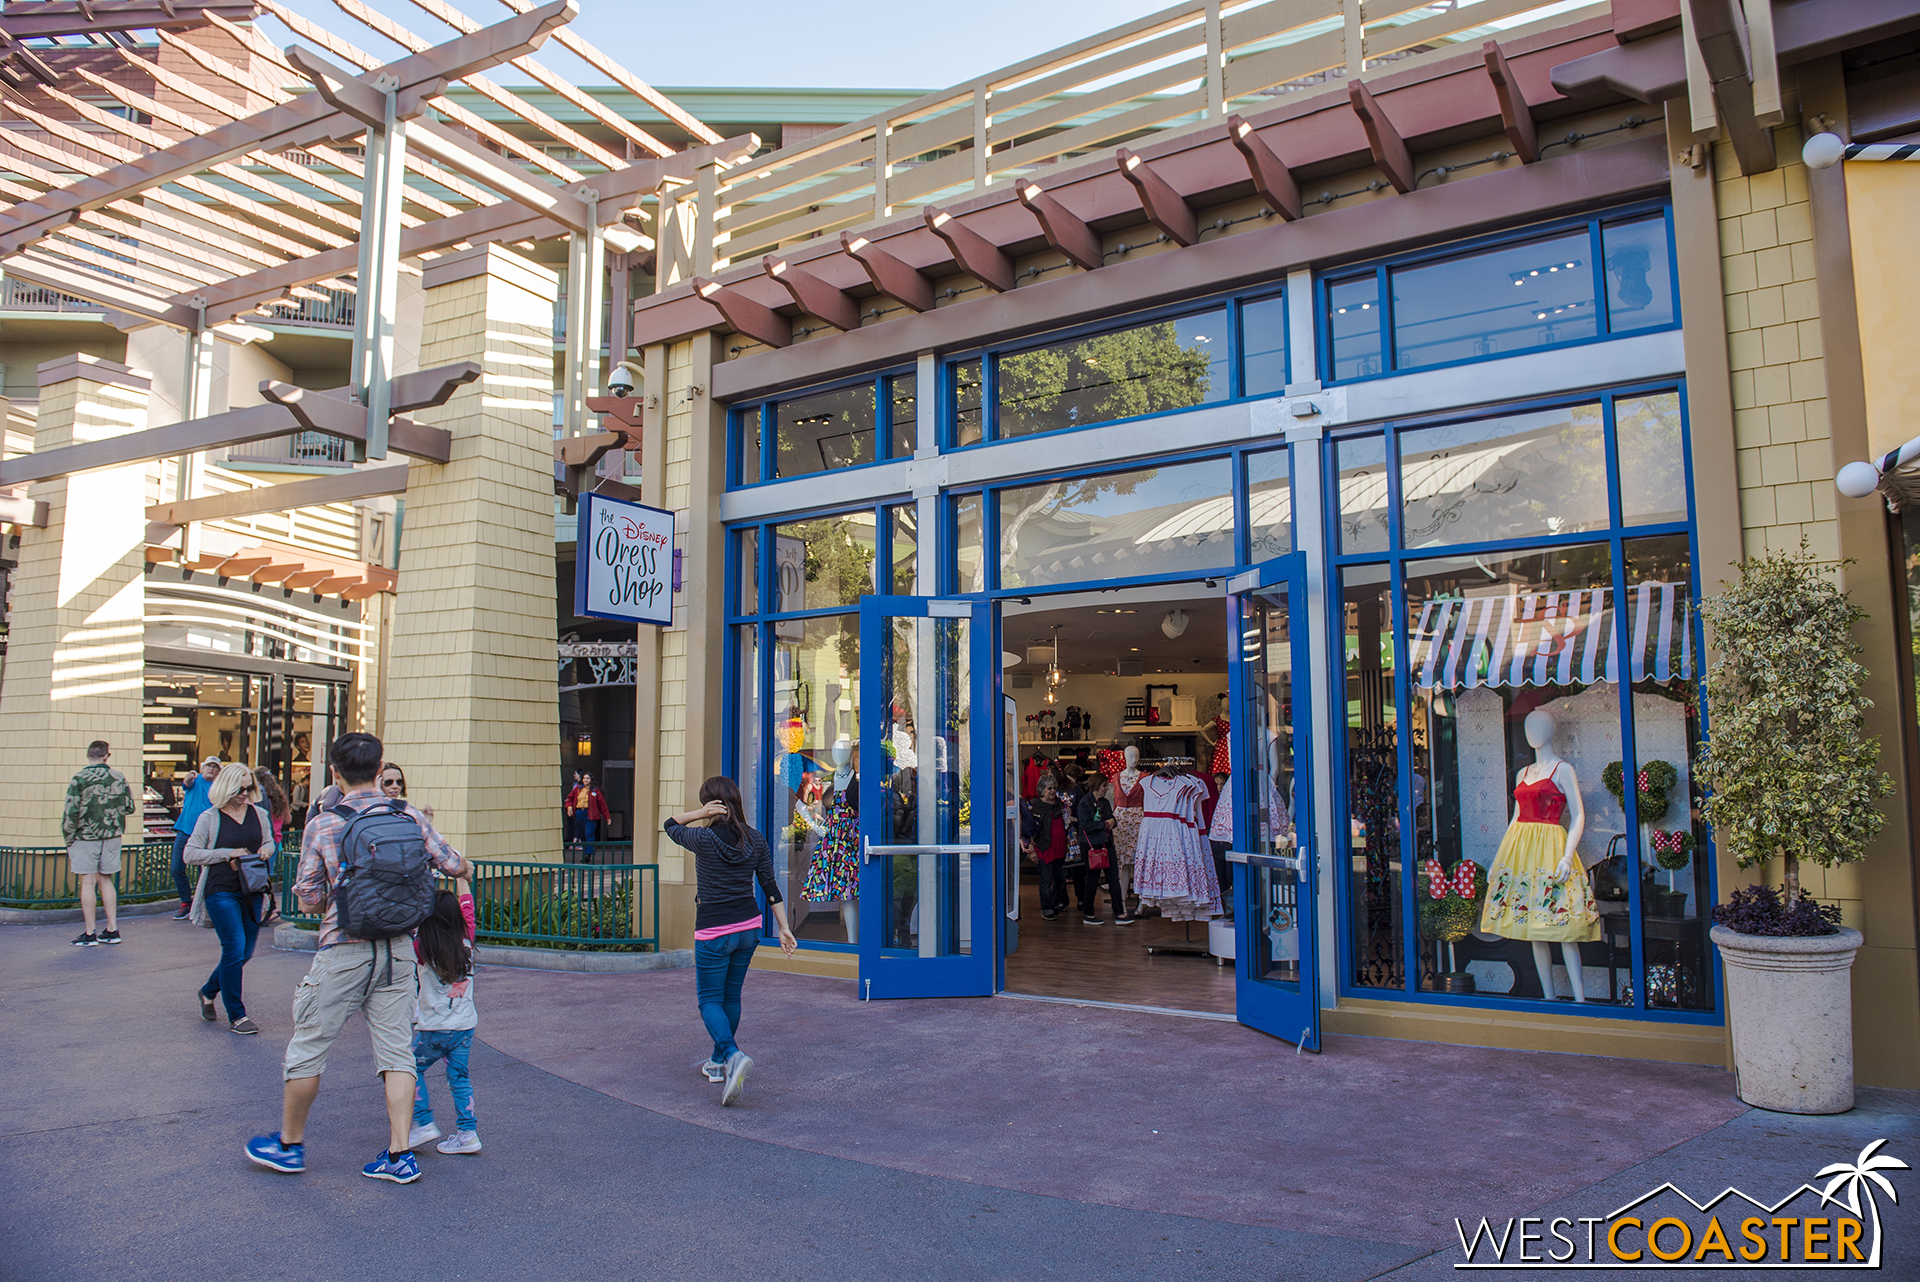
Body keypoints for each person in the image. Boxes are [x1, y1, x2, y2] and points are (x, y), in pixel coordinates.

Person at [245, 731, 471, 1184]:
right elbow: (454, 864)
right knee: (397, 1054)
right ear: (379, 767)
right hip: (399, 950)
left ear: (335, 772)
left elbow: (308, 898)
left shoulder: (325, 823)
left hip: (343, 949)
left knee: (309, 1047)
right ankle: (399, 1154)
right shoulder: (405, 814)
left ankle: (289, 1145)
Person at [664, 777, 796, 1107]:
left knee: (709, 1000)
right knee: (731, 996)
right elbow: (770, 885)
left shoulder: (702, 837)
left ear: (712, 804)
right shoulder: (754, 839)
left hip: (714, 931)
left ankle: (734, 1055)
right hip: (749, 928)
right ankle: (719, 1060)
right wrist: (784, 928)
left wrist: (698, 813)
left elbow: (669, 825)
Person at [185, 764, 274, 1033]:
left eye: (249, 788)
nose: (245, 794)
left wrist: (267, 850)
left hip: (253, 890)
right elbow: (190, 854)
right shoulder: (209, 818)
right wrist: (226, 853)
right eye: (239, 789)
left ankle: (207, 991)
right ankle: (238, 1015)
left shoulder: (259, 814)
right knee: (233, 948)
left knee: (244, 953)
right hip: (221, 890)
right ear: (226, 788)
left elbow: (270, 841)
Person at [410, 876, 481, 1155]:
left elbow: (410, 917)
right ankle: (468, 1133)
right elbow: (468, 907)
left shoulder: (421, 948)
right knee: (460, 1078)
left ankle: (424, 1122)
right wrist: (463, 875)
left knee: (410, 1069)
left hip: (434, 1029)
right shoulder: (467, 938)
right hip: (464, 1027)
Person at [62, 740, 136, 947]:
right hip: (112, 835)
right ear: (106, 756)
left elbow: (71, 811)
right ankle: (112, 929)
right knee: (106, 880)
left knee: (88, 882)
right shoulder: (119, 777)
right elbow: (129, 807)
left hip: (86, 836)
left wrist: (69, 837)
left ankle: (89, 933)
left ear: (88, 755)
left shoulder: (79, 779)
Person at [1077, 772, 1133, 926]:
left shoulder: (1105, 803)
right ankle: (1088, 913)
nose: (1105, 789)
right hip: (1091, 846)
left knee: (1114, 878)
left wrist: (1111, 822)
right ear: (1095, 786)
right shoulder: (1084, 803)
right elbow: (1086, 825)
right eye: (1103, 786)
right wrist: (1106, 825)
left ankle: (1119, 912)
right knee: (1092, 879)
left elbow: (1113, 819)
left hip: (1107, 843)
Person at [170, 757, 220, 920]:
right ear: (202, 768)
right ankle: (186, 902)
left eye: (215, 767)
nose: (211, 769)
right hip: (185, 829)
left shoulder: (219, 787)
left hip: (206, 832)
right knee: (177, 867)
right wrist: (189, 776)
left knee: (204, 870)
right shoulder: (195, 780)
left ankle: (201, 904)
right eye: (209, 766)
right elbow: (187, 782)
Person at [1020, 772, 1070, 921]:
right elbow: (1030, 829)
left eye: (1054, 788)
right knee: (1046, 881)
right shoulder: (1036, 806)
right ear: (1042, 790)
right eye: (1049, 788)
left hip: (1060, 848)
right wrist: (1032, 851)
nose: (1053, 791)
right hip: (1044, 849)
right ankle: (1046, 908)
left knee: (1061, 879)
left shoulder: (1060, 804)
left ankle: (1055, 903)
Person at [570, 772, 610, 844]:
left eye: (588, 778)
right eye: (584, 778)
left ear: (591, 780)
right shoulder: (578, 789)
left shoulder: (595, 790)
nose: (585, 780)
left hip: (591, 813)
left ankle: (589, 852)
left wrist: (607, 817)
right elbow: (570, 799)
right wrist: (569, 807)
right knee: (582, 833)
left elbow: (602, 804)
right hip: (579, 812)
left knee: (589, 832)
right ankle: (586, 851)